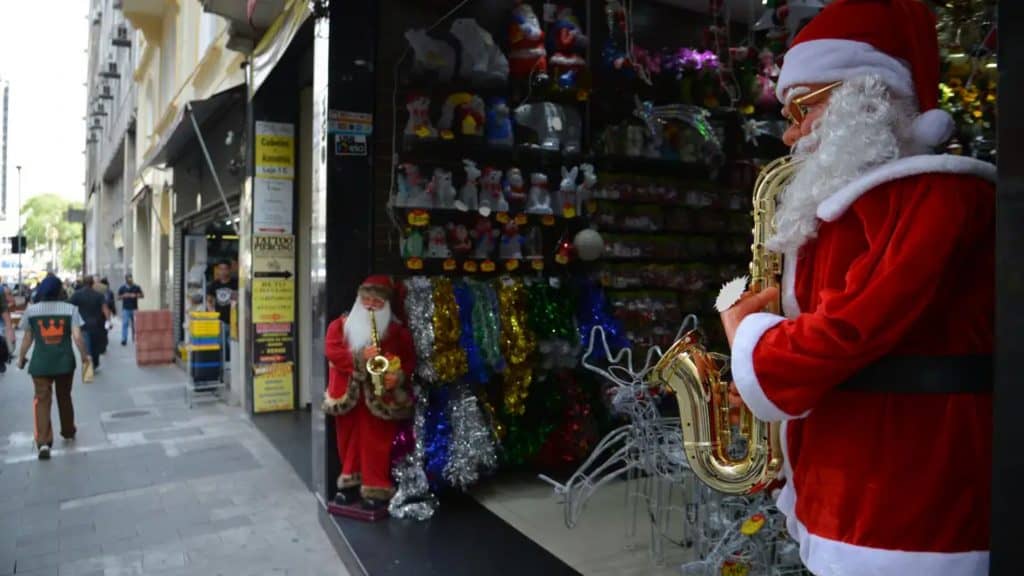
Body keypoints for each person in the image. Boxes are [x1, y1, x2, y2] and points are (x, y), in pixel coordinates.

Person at [718, 2, 994, 575]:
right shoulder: (873, 201)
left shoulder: (932, 197)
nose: (791, 133)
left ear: (861, 100)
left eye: (803, 107)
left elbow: (851, 327)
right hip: (856, 472)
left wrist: (752, 342)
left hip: (904, 489)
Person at [322, 276, 416, 511]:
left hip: (381, 395)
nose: (371, 305)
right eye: (366, 299)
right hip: (347, 395)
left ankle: (376, 487)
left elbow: (409, 360)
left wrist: (399, 376)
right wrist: (359, 358)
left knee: (377, 443)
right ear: (358, 299)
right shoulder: (339, 326)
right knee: (348, 441)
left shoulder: (396, 331)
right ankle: (350, 483)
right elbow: (332, 351)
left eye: (377, 301)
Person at [17, 274, 90, 460]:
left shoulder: (32, 311)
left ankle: (43, 442)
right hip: (65, 363)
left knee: (42, 400)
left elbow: (27, 338)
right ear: (60, 291)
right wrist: (84, 357)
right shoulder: (70, 309)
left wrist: (21, 357)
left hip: (40, 364)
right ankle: (67, 431)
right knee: (64, 397)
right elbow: (77, 337)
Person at [70, 276, 110, 373]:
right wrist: (108, 321)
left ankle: (88, 370)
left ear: (83, 283)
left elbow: (70, 307)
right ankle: (95, 365)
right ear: (93, 283)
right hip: (97, 325)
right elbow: (105, 308)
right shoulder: (98, 295)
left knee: (87, 347)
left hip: (82, 325)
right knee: (95, 346)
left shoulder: (77, 295)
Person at [206, 260, 237, 361]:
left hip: (234, 321)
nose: (223, 272)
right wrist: (213, 314)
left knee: (233, 345)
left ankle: (233, 366)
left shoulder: (235, 283)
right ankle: (223, 366)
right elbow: (209, 301)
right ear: (218, 270)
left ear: (229, 270)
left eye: (225, 269)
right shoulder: (214, 284)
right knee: (221, 345)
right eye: (221, 269)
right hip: (220, 322)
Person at [117, 274, 144, 346]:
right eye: (128, 279)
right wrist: (124, 296)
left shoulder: (136, 287)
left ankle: (135, 338)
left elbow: (142, 295)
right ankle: (124, 339)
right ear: (125, 279)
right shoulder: (122, 288)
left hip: (134, 308)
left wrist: (135, 295)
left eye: (131, 278)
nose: (130, 280)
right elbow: (118, 297)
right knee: (125, 324)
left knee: (135, 325)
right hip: (126, 309)